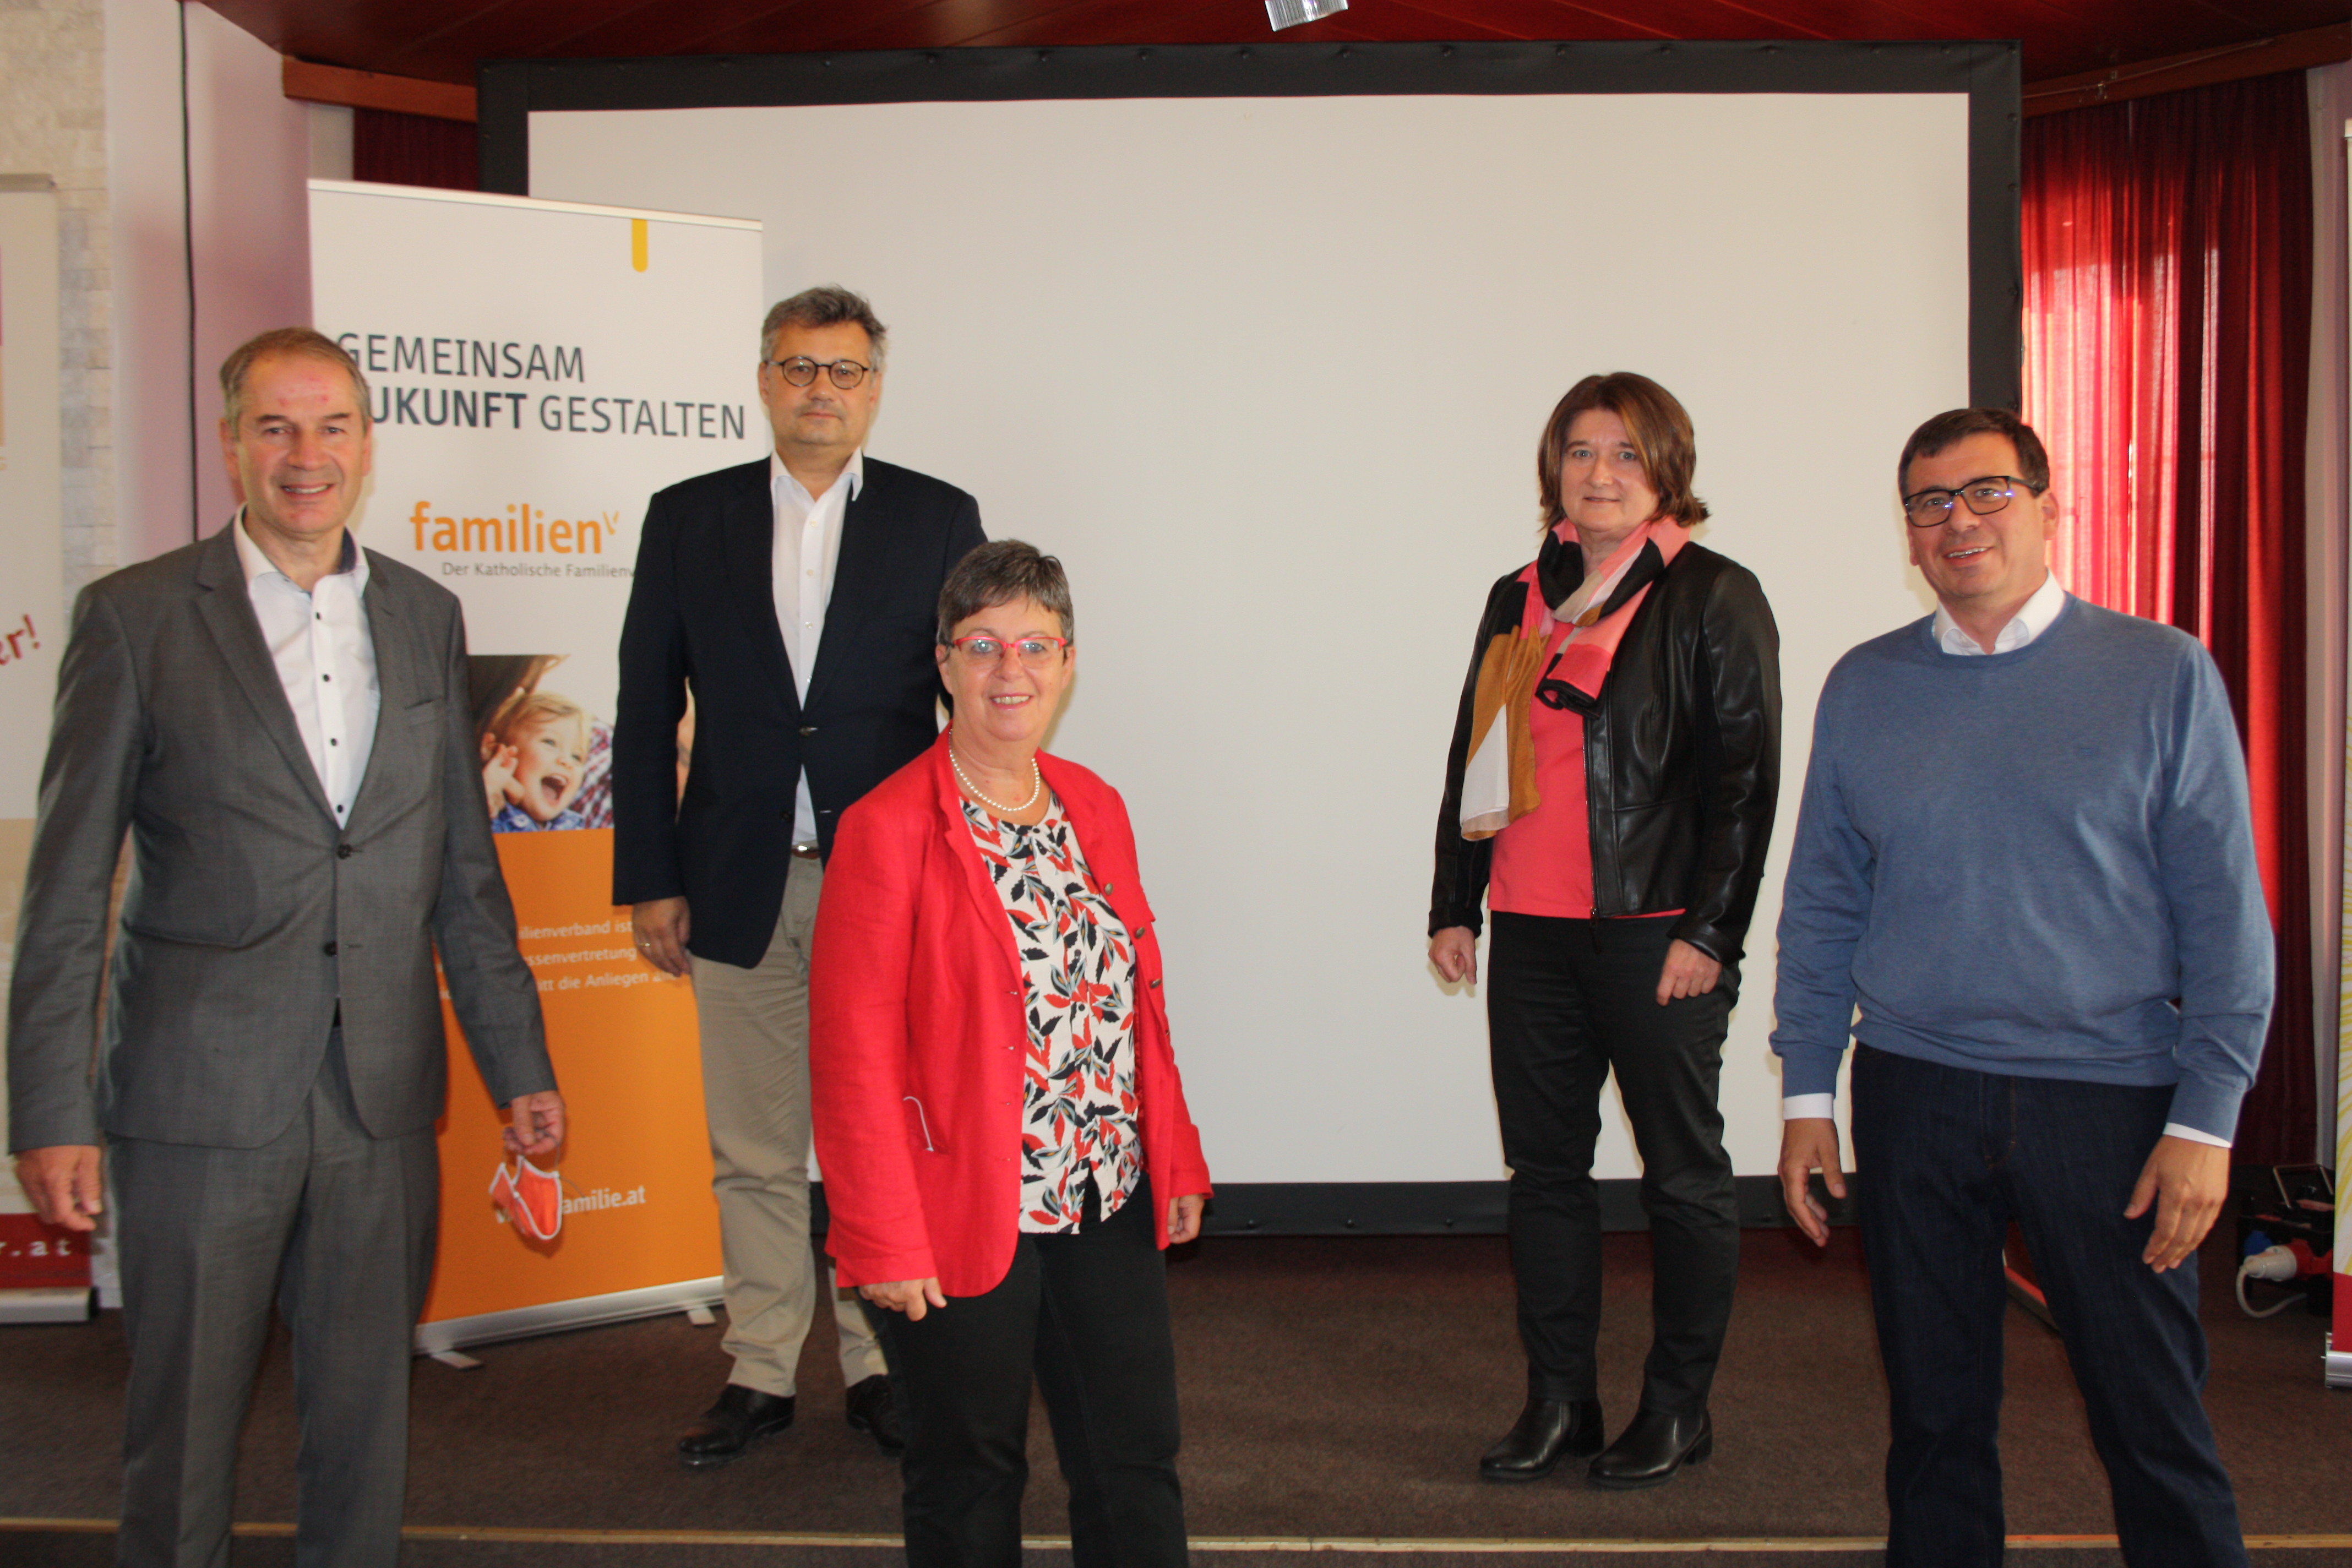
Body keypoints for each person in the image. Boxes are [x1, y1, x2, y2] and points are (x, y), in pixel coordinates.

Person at [6, 328, 563, 1567]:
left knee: (365, 1421)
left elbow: (463, 872)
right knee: (183, 1427)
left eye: (331, 427)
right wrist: (49, 1108)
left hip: (380, 1096)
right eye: (275, 427)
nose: (306, 456)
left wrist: (518, 1062)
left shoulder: (424, 616)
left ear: (366, 445)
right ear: (230, 445)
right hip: (196, 1098)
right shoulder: (135, 618)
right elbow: (67, 886)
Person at [1772, 407, 2270, 1567]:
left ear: (2050, 505)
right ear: (1908, 531)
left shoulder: (2161, 672)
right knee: (1934, 1423)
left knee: (2151, 1418)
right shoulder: (1864, 684)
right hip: (1915, 1090)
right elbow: (1824, 900)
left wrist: (2206, 1121)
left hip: (2110, 1101)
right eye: (1930, 501)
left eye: (1988, 491)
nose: (1959, 521)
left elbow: (2225, 918)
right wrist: (1807, 1091)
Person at [612, 284, 986, 1467]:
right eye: (799, 367)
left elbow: (972, 700)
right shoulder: (688, 517)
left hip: (889, 888)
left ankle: (881, 1362)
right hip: (735, 877)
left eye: (845, 369)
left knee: (882, 1132)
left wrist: (966, 869)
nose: (821, 389)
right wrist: (649, 874)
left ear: (874, 387)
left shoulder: (938, 516)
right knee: (755, 1144)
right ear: (765, 380)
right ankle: (762, 1367)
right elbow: (642, 706)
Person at [810, 540, 1212, 1565]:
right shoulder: (886, 827)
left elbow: (1133, 1004)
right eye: (983, 644)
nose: (1009, 670)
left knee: (1134, 1455)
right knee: (970, 1469)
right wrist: (882, 1238)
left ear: (1067, 661)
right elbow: (852, 1058)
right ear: (943, 662)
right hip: (957, 1203)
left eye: (1035, 645)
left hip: (1102, 1189)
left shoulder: (1094, 803)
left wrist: (1175, 1156)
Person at [1428, 372, 1780, 1489]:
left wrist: (1712, 935)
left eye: (1627, 453)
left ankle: (1677, 1407)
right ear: (1555, 471)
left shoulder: (1713, 594)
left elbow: (1747, 784)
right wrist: (1455, 901)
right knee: (1544, 1172)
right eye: (1580, 451)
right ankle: (1559, 1400)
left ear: (1666, 468)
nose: (1601, 473)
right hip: (1532, 929)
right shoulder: (1517, 594)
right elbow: (1476, 750)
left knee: (1682, 1175)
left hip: (1657, 930)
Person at [483, 690, 593, 830]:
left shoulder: (575, 828)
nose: (567, 761)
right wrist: (486, 791)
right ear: (500, 752)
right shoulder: (488, 812)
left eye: (576, 757)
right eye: (550, 742)